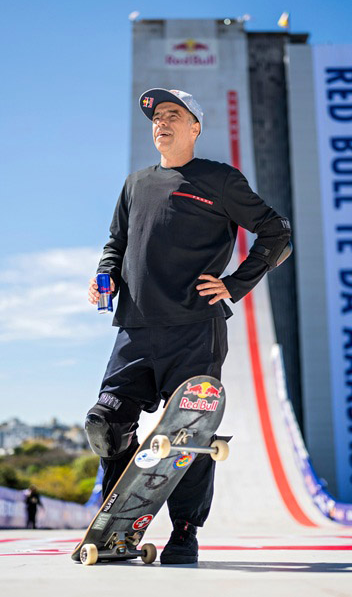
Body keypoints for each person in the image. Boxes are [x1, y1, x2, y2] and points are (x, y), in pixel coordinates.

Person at [84, 88, 292, 564]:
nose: (161, 122)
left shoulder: (219, 179)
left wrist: (234, 284)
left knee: (190, 433)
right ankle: (118, 527)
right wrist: (104, 275)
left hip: (194, 328)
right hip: (134, 328)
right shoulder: (136, 184)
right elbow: (115, 242)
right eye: (156, 117)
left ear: (194, 127)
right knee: (106, 424)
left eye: (173, 115)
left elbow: (277, 233)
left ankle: (184, 532)